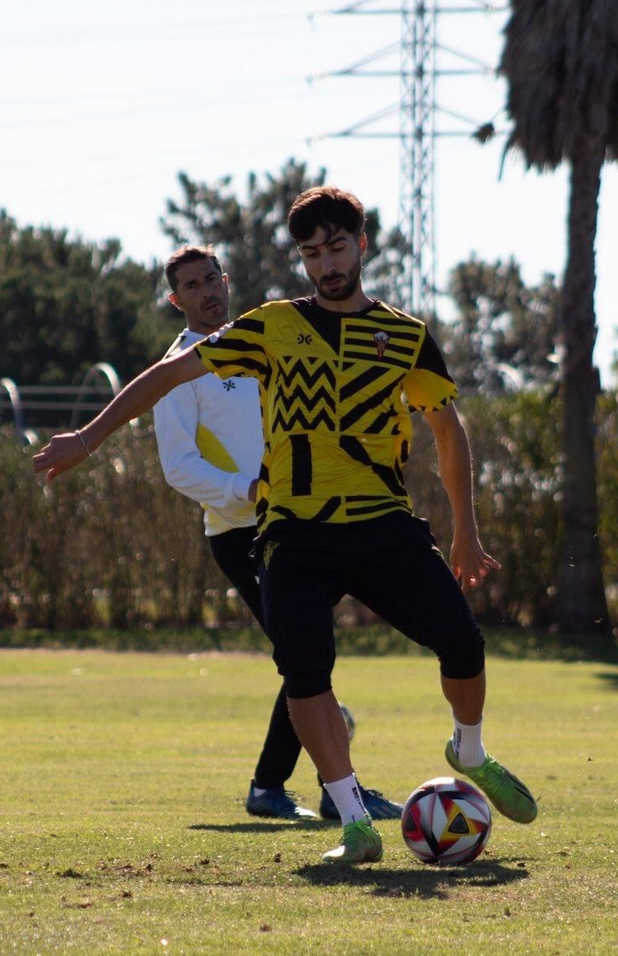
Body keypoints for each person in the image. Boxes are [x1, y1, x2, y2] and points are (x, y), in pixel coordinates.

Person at [35, 187, 537, 865]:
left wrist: (466, 531)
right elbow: (168, 374)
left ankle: (468, 750)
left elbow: (448, 430)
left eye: (335, 247)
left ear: (361, 246)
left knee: (463, 643)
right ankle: (354, 821)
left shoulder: (407, 337)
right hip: (293, 531)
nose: (325, 264)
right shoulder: (272, 325)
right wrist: (88, 440)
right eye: (311, 253)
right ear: (300, 260)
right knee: (304, 670)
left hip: (382, 524)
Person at [152, 244, 403, 824]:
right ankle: (313, 790)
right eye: (191, 286)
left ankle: (296, 787)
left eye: (211, 278)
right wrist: (248, 490)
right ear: (176, 300)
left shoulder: (266, 340)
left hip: (303, 519)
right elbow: (179, 467)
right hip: (243, 533)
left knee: (306, 655)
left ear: (227, 279)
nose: (206, 291)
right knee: (306, 657)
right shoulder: (178, 369)